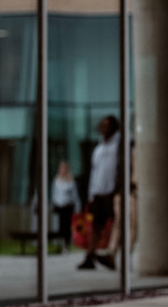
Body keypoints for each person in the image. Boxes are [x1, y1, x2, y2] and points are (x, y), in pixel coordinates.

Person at [79, 115, 121, 270]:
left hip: (113, 192)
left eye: (106, 125)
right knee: (96, 225)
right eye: (101, 125)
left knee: (119, 224)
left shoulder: (120, 144)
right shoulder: (99, 148)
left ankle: (112, 255)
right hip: (99, 193)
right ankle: (90, 256)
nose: (103, 128)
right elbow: (95, 172)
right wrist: (91, 194)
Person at [52, 160, 80, 252]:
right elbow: (54, 193)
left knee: (67, 226)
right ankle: (60, 243)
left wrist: (76, 205)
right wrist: (56, 203)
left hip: (68, 206)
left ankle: (67, 243)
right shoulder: (57, 180)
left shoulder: (70, 181)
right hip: (60, 206)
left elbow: (74, 195)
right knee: (61, 226)